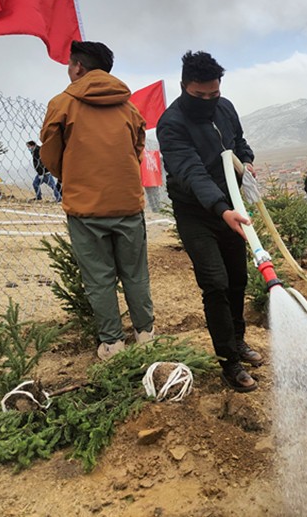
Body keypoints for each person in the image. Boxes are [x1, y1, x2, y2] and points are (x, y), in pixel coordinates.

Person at [39, 40, 155, 360]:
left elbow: (50, 154)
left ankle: (113, 344)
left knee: (99, 278)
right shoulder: (129, 107)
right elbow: (137, 148)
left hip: (85, 207)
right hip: (128, 203)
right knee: (135, 273)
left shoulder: (61, 104)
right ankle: (146, 334)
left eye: (70, 64)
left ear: (78, 66)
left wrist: (74, 175)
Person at [156, 50, 263, 393]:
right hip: (197, 213)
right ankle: (228, 362)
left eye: (213, 93)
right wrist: (220, 208)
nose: (207, 101)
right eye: (199, 95)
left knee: (237, 278)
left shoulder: (225, 108)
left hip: (231, 207)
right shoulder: (171, 124)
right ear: (184, 86)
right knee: (215, 283)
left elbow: (238, 143)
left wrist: (246, 161)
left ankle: (238, 340)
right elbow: (191, 172)